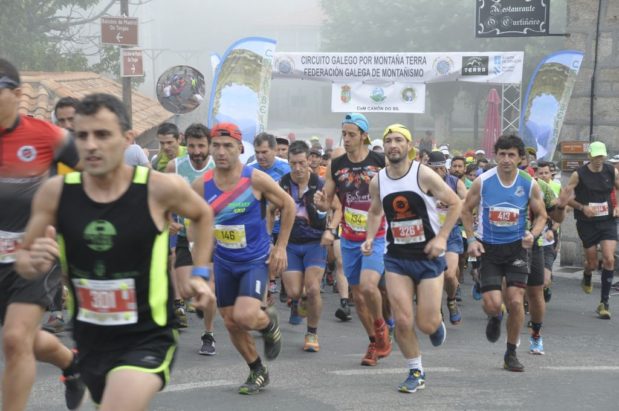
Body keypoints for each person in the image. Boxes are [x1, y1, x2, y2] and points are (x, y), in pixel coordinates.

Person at [15, 93, 215, 410]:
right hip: (90, 339)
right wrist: (32, 261)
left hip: (148, 336)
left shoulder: (159, 188)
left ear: (127, 138)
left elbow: (203, 215)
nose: (91, 145)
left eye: (102, 134)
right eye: (82, 136)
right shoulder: (55, 194)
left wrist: (201, 274)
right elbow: (25, 261)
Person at [0, 58, 85, 411]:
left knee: (15, 339)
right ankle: (71, 362)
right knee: (27, 340)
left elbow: (97, 174)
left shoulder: (47, 136)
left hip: (34, 253)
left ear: (17, 94)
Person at [194, 122, 295, 394]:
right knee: (229, 321)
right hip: (225, 261)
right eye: (216, 145)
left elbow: (288, 205)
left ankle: (268, 322)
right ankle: (257, 369)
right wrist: (199, 270)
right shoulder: (201, 185)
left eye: (228, 146)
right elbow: (195, 224)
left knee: (246, 315)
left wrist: (281, 246)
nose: (221, 151)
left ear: (240, 148)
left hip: (254, 260)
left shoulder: (254, 179)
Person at [362, 123, 461, 393]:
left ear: (408, 146)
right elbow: (374, 211)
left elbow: (455, 203)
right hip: (396, 257)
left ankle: (436, 322)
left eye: (399, 140)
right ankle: (415, 371)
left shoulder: (424, 174)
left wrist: (441, 238)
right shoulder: (378, 180)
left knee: (425, 323)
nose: (393, 145)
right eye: (389, 140)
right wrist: (370, 237)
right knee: (403, 321)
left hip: (427, 256)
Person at [461, 134, 547, 372]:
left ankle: (510, 353)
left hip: (517, 247)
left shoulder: (529, 183)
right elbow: (466, 210)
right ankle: (494, 316)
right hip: (488, 247)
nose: (506, 159)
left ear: (520, 158)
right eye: (502, 154)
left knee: (516, 301)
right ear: (495, 155)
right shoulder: (484, 181)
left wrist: (534, 234)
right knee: (492, 304)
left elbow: (541, 215)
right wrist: (470, 239)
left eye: (511, 155)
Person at [314, 113, 392, 366]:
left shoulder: (380, 161)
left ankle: (382, 328)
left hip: (377, 234)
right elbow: (329, 202)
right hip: (349, 237)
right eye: (343, 134)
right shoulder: (336, 165)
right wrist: (321, 204)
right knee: (358, 297)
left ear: (363, 136)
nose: (346, 139)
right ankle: (374, 342)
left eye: (351, 134)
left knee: (371, 287)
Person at [276, 140, 339, 352]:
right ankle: (298, 301)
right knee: (294, 292)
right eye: (293, 163)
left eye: (302, 163)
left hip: (315, 241)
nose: (298, 168)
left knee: (313, 289)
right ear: (288, 162)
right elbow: (268, 211)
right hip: (291, 244)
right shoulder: (281, 184)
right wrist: (271, 241)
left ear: (309, 161)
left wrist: (330, 230)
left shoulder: (320, 183)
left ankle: (312, 333)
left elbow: (337, 208)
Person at [165, 123, 217, 354]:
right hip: (186, 236)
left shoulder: (219, 167)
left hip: (211, 237)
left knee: (207, 289)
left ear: (209, 146)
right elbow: (163, 199)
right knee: (186, 290)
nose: (196, 151)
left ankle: (209, 334)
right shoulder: (174, 166)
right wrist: (168, 220)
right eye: (192, 146)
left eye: (201, 146)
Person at [561, 141, 619, 319]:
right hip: (587, 222)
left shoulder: (611, 171)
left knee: (609, 258)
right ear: (589, 156)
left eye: (601, 156)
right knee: (592, 263)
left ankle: (604, 303)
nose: (598, 160)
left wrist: (617, 206)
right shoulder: (579, 175)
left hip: (607, 220)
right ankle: (587, 274)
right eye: (595, 156)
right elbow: (564, 197)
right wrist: (581, 207)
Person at [249, 132, 291, 303]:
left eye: (264, 152)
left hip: (285, 224)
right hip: (261, 224)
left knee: (284, 265)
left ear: (274, 150)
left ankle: (289, 291)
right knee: (263, 262)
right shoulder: (250, 169)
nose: (260, 156)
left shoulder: (287, 168)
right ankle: (265, 297)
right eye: (257, 152)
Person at [427, 151, 467, 324]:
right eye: (434, 170)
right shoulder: (422, 184)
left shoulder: (455, 182)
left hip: (451, 234)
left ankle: (451, 300)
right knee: (434, 278)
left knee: (450, 275)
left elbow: (467, 201)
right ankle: (437, 309)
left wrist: (453, 204)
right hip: (430, 236)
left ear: (445, 169)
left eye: (441, 169)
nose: (438, 173)